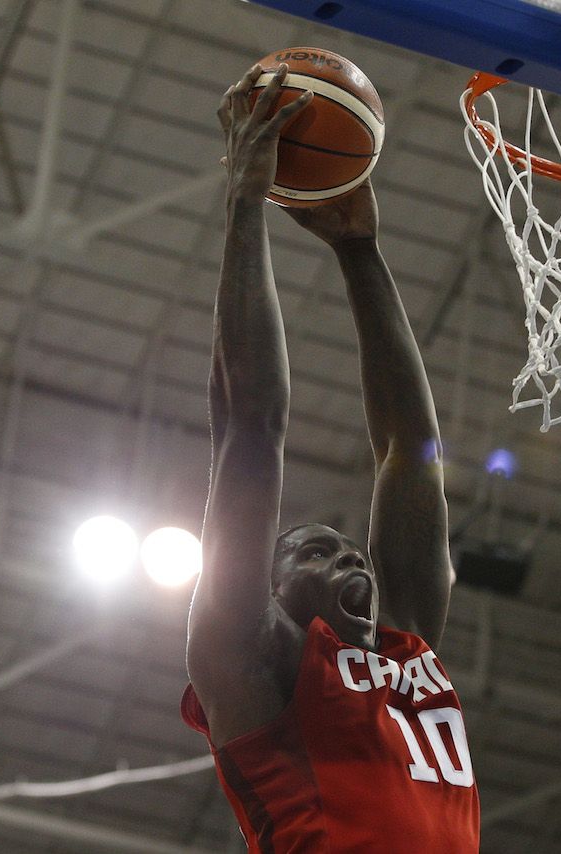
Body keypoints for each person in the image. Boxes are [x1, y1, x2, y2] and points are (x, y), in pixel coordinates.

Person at [180, 61, 480, 852]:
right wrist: (245, 204)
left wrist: (361, 251)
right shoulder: (250, 657)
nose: (354, 553)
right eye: (317, 549)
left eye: (348, 546)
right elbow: (251, 427)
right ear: (268, 588)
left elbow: (408, 453)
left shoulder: (403, 641)